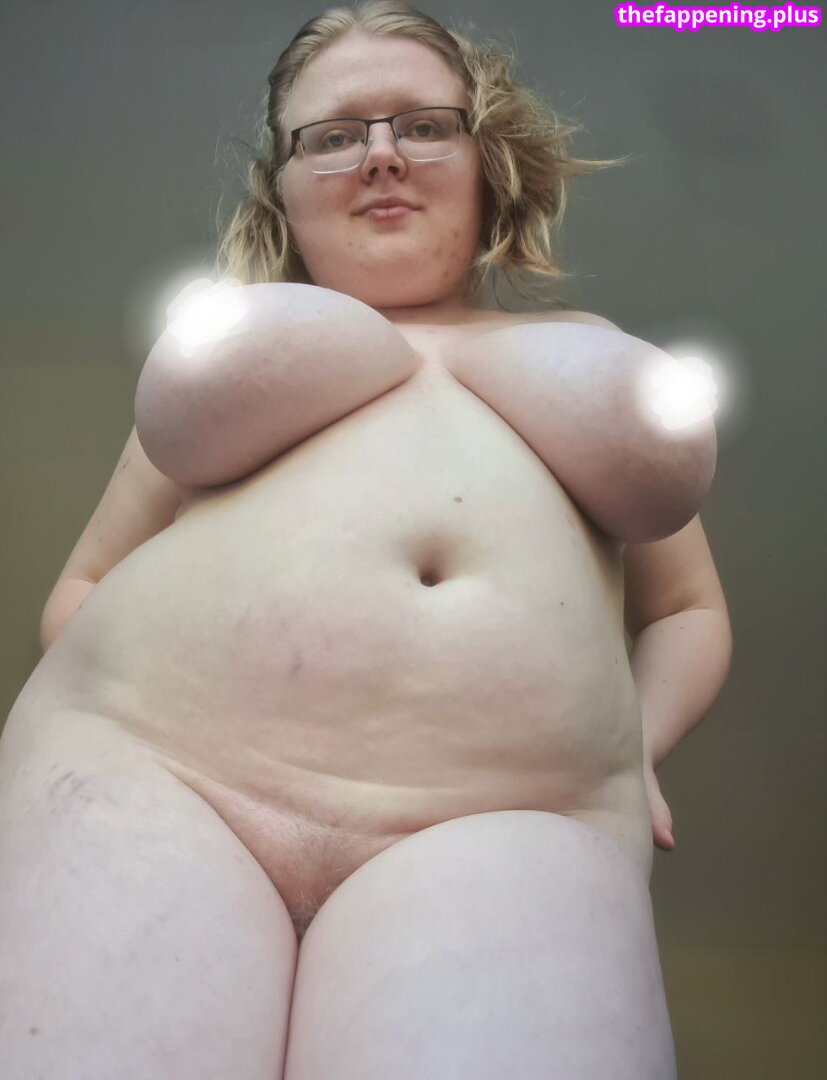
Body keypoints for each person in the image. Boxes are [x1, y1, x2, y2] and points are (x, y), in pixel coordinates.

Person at [1, 2, 733, 1077]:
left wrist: (634, 747)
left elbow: (689, 611)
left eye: (422, 125)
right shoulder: (228, 361)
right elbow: (85, 584)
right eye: (334, 135)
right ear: (283, 187)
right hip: (156, 771)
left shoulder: (582, 349)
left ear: (485, 162)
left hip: (506, 819)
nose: (381, 155)